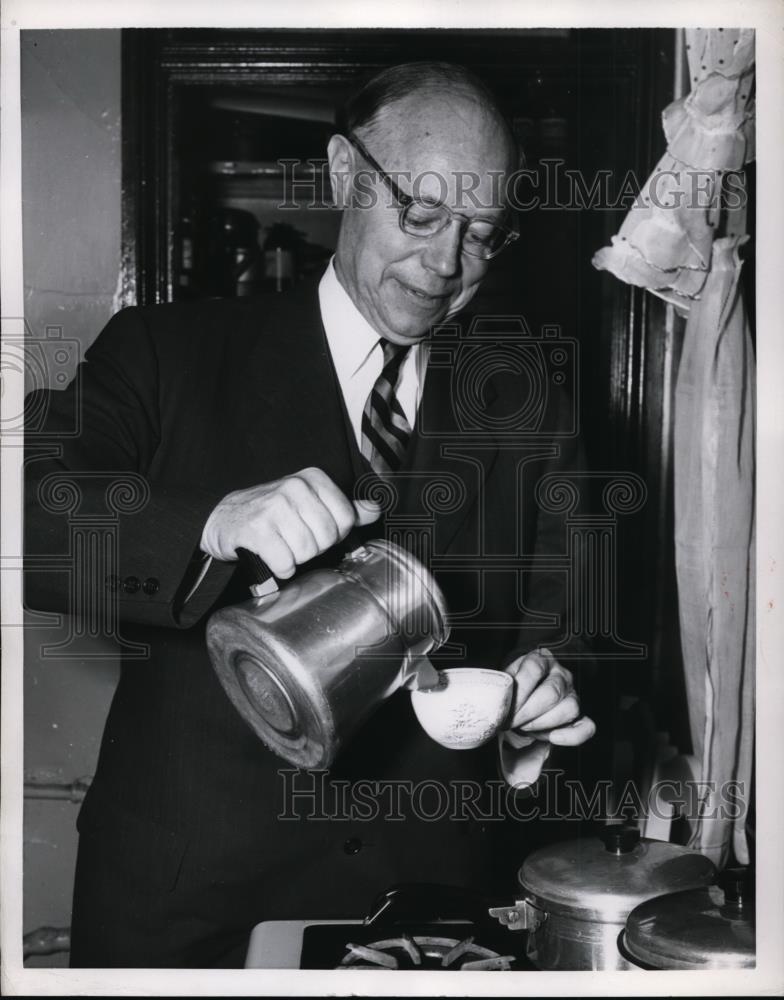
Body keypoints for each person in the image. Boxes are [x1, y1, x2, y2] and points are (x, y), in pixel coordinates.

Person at [24, 61, 595, 968]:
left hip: (429, 912)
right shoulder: (167, 351)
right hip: (186, 909)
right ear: (343, 173)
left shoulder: (529, 404)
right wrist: (210, 519)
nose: (445, 263)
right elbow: (36, 523)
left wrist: (536, 722)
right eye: (421, 213)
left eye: (481, 233)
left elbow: (564, 643)